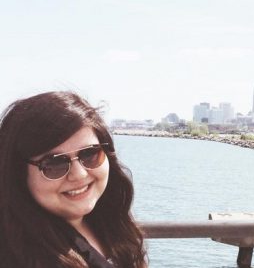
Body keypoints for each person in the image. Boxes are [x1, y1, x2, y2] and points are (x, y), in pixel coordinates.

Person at [0, 91, 147, 267]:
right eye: (54, 164)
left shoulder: (108, 221)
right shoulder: (18, 256)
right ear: (19, 174)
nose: (80, 174)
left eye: (90, 154)